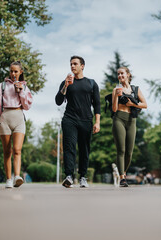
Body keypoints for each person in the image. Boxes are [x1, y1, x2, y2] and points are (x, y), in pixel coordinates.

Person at [55, 56, 101, 188]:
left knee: (84, 149)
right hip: (70, 119)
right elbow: (58, 101)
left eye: (75, 64)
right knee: (69, 148)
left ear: (82, 66)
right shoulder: (66, 83)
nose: (72, 66)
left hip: (86, 120)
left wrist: (97, 122)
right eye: (71, 64)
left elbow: (97, 104)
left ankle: (82, 177)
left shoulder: (91, 83)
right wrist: (65, 85)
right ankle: (69, 176)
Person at [0, 61, 33, 188]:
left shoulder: (25, 87)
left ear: (21, 72)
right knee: (7, 151)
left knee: (17, 150)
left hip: (19, 117)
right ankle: (8, 179)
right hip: (5, 118)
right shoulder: (1, 86)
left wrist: (21, 91)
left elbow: (27, 106)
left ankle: (17, 177)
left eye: (16, 71)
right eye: (11, 71)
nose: (13, 73)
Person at [112, 67, 147, 187]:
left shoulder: (136, 89)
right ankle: (122, 178)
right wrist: (116, 96)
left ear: (128, 75)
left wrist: (132, 104)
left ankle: (122, 172)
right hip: (119, 119)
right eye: (118, 74)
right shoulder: (116, 89)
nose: (120, 76)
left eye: (122, 73)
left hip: (132, 120)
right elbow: (114, 109)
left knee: (129, 152)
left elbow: (145, 104)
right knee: (121, 150)